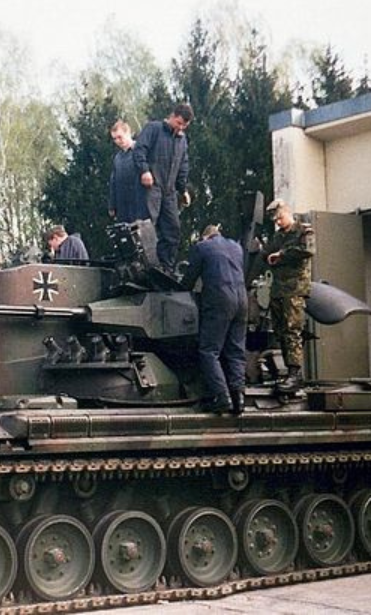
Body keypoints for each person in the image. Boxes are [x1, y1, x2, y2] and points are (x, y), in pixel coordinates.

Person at [181, 224, 248, 415]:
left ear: (205, 237)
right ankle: (239, 398)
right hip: (242, 301)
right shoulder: (236, 247)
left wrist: (180, 288)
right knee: (235, 351)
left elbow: (190, 278)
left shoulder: (202, 247)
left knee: (209, 350)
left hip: (219, 300)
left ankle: (222, 397)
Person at [132, 102, 193, 271]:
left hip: (170, 191)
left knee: (173, 229)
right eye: (179, 123)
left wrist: (183, 189)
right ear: (172, 116)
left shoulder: (182, 140)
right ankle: (145, 265)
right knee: (147, 227)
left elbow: (183, 166)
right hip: (151, 187)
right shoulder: (153, 129)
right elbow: (139, 151)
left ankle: (166, 267)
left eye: (184, 126)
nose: (180, 128)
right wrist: (144, 171)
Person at [262, 199, 315, 392]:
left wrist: (281, 255)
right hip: (278, 290)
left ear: (288, 213)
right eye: (275, 220)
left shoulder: (303, 230)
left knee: (292, 331)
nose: (278, 222)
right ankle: (288, 373)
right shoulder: (277, 236)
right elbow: (266, 254)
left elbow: (307, 250)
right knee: (280, 331)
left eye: (280, 218)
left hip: (294, 289)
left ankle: (295, 375)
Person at [108, 120, 149, 223]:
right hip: (123, 207)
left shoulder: (141, 151)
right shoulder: (117, 158)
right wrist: (112, 205)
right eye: (114, 139)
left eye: (120, 137)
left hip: (141, 203)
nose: (117, 141)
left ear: (128, 133)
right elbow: (113, 182)